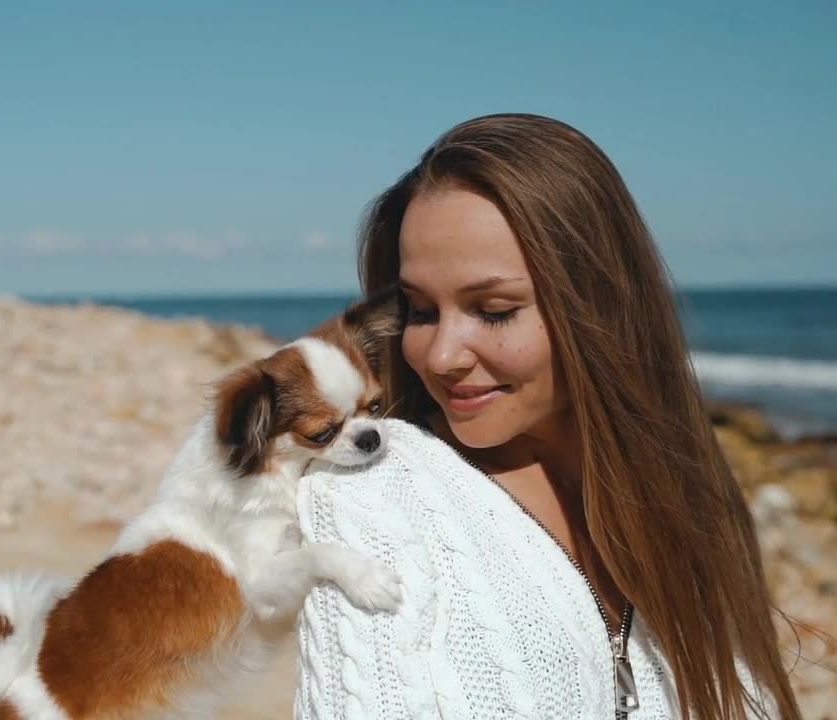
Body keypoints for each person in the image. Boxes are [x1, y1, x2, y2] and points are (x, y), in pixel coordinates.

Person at [293, 114, 802, 720]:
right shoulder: (370, 497)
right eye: (421, 311)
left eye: (495, 310)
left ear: (601, 306)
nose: (442, 355)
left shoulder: (691, 512)